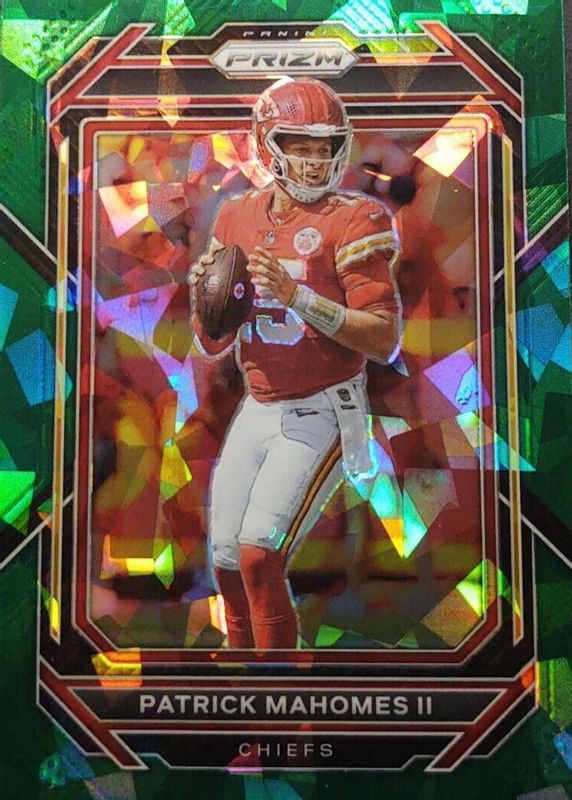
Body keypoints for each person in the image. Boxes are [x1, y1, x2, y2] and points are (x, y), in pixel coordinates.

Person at [188, 77, 401, 650]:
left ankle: (279, 685)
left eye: (324, 146)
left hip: (324, 404)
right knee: (225, 559)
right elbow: (212, 343)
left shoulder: (355, 219)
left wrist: (298, 297)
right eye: (300, 145)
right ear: (267, 144)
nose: (314, 159)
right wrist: (206, 299)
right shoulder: (236, 215)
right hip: (259, 403)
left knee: (259, 555)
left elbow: (384, 338)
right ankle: (245, 675)